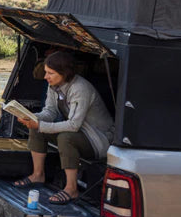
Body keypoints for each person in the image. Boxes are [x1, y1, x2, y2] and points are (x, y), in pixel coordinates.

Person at [13, 50, 114, 204]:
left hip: (97, 139)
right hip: (79, 132)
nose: (46, 76)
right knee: (37, 128)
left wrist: (40, 124)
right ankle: (38, 174)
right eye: (46, 72)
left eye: (50, 73)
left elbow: (73, 125)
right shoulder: (54, 85)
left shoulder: (80, 89)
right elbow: (50, 112)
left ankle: (71, 189)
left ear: (64, 73)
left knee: (65, 137)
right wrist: (32, 117)